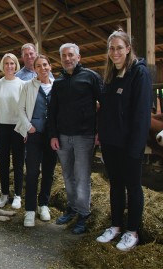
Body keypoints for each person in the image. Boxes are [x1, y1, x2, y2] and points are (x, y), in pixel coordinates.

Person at [96, 29, 152, 251]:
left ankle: (132, 231)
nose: (115, 52)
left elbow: (141, 114)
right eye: (111, 48)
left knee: (133, 186)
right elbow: (106, 110)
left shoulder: (139, 73)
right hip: (111, 143)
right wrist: (102, 135)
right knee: (115, 185)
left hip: (130, 144)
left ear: (128, 48)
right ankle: (116, 226)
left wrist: (136, 146)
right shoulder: (109, 76)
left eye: (119, 47)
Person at [49, 43, 103, 234]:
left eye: (71, 55)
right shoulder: (58, 82)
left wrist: (99, 131)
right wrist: (53, 135)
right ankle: (72, 208)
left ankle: (83, 213)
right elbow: (52, 110)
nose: (67, 59)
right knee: (68, 175)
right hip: (63, 136)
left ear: (78, 57)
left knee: (81, 177)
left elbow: (104, 104)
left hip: (84, 136)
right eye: (64, 56)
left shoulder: (91, 77)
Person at [15, 55, 57, 227]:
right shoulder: (28, 86)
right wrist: (29, 127)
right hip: (34, 134)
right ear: (35, 69)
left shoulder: (57, 86)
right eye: (38, 66)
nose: (42, 68)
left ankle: (44, 205)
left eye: (45, 65)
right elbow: (21, 109)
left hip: (52, 135)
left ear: (50, 66)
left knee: (49, 171)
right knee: (32, 172)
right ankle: (30, 210)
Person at [0, 53, 25, 209]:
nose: (9, 66)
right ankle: (4, 194)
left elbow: (26, 108)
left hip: (18, 127)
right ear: (2, 66)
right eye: (6, 63)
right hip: (1, 126)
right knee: (3, 162)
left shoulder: (23, 84)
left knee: (18, 162)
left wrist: (26, 130)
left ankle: (17, 195)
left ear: (16, 65)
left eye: (12, 63)